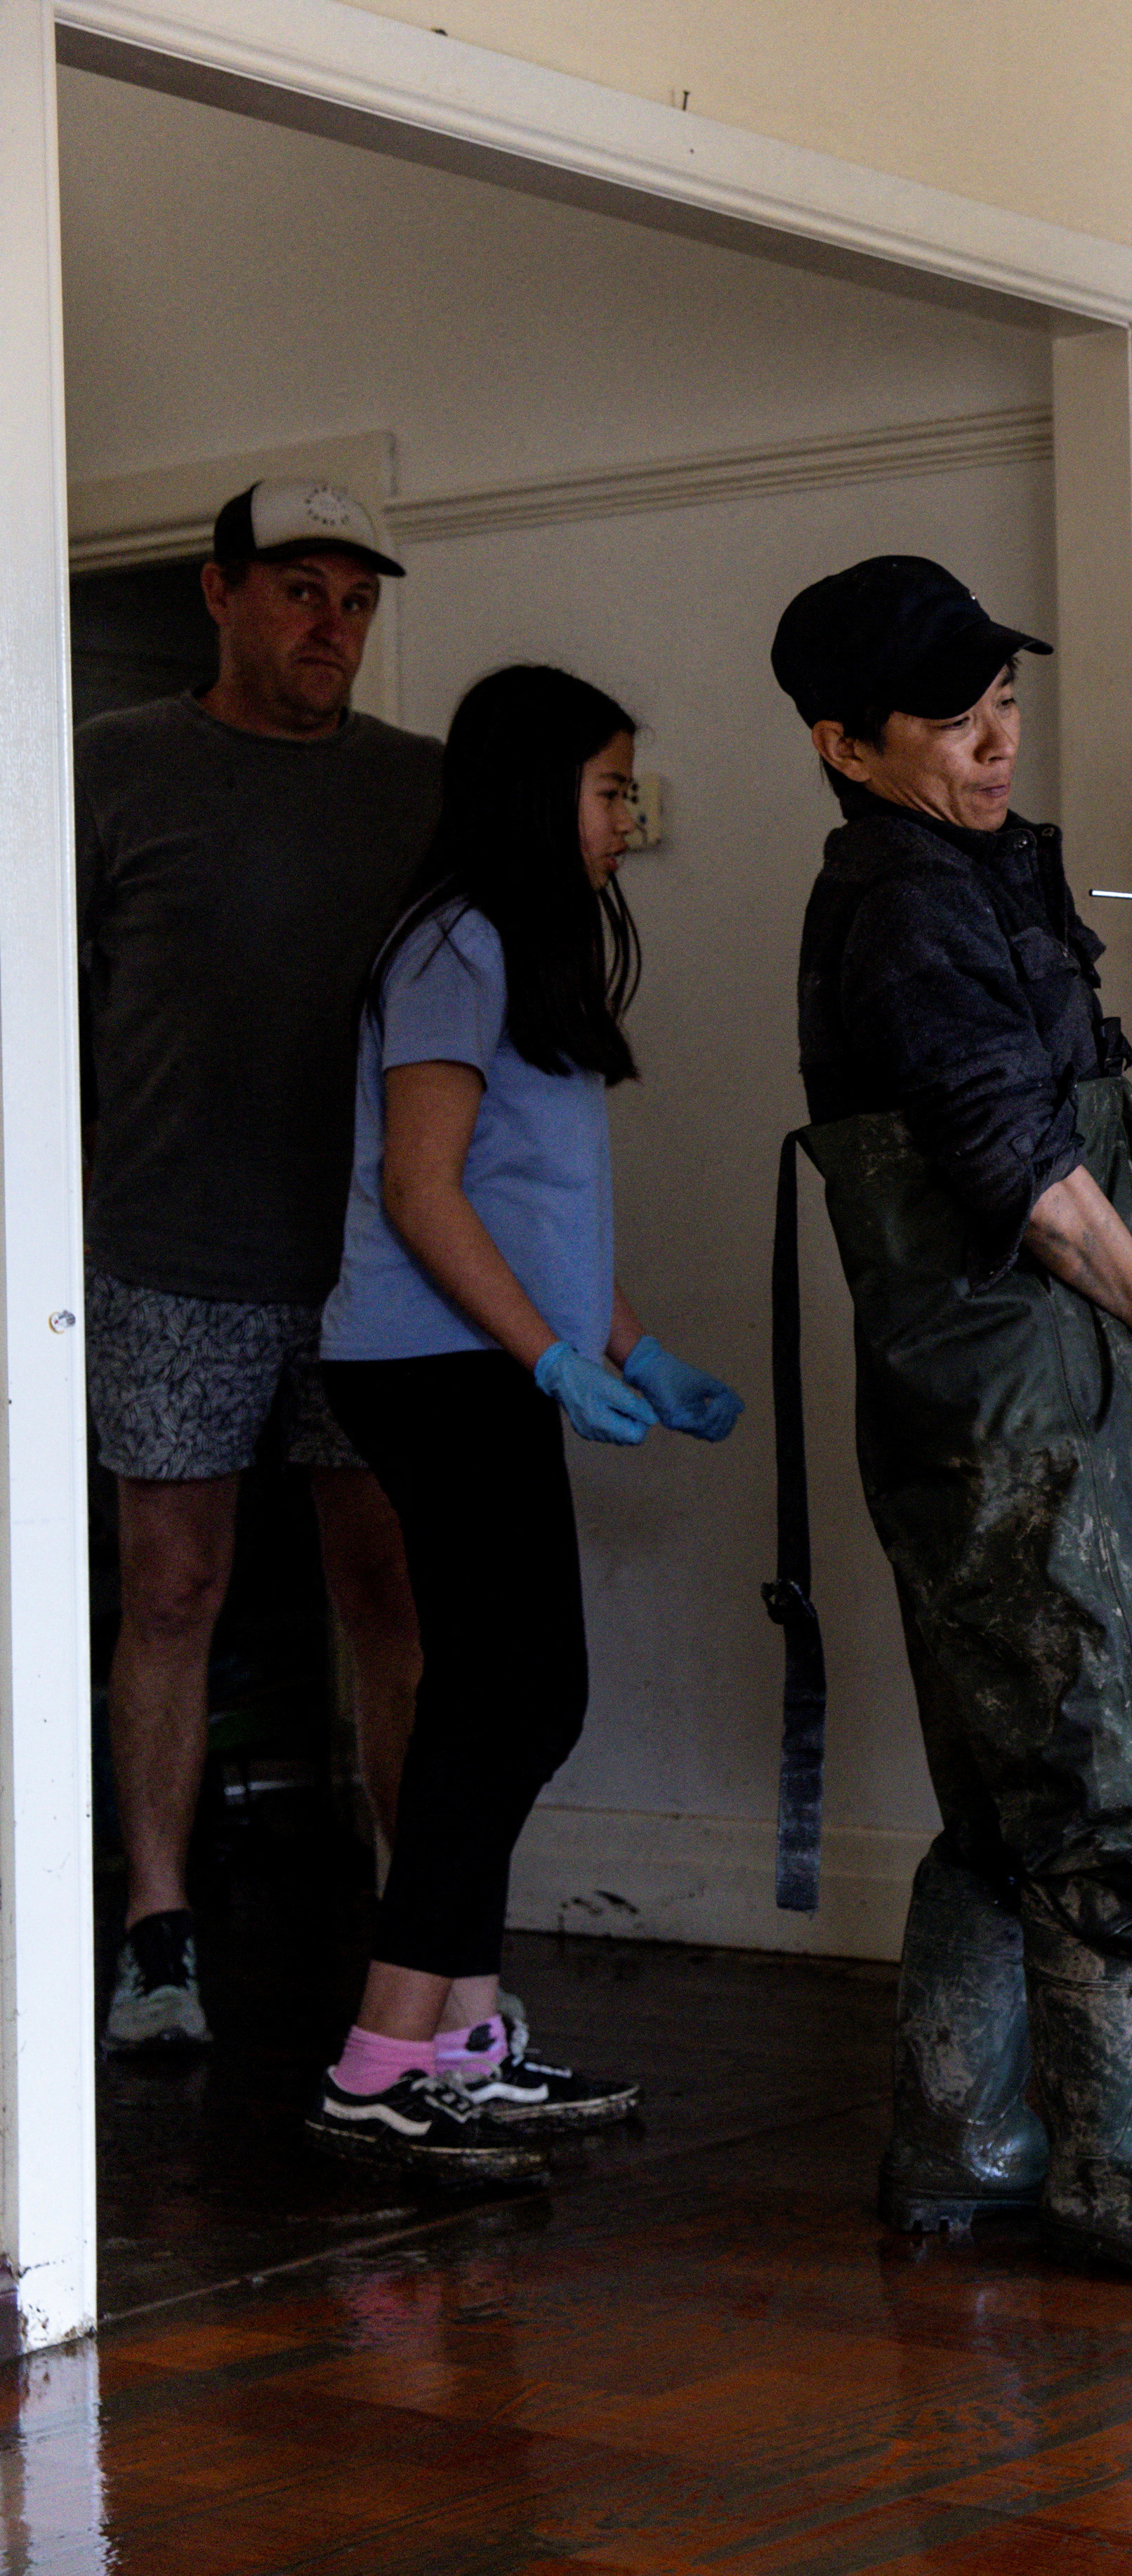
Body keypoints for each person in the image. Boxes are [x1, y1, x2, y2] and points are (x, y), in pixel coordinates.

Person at [779, 553, 1132, 2285]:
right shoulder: (908, 909)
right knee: (1121, 1780)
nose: (996, 737)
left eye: (1004, 696)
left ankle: (960, 2139)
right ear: (847, 744)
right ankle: (1116, 2175)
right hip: (1028, 1413)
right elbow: (1020, 1167)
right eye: (950, 716)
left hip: (1000, 1404)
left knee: (1009, 1792)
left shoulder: (963, 876)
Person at [303, 665, 742, 2179]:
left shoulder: (522, 947)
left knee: (506, 1692)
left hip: (484, 1354)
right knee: (514, 1697)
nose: (628, 817)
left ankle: (463, 2040)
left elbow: (531, 1206)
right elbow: (421, 1193)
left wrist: (631, 1344)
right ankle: (380, 2059)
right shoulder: (448, 947)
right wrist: (551, 1359)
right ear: (529, 791)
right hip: (432, 1361)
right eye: (610, 788)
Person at [76, 479, 434, 2053]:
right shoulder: (107, 769)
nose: (331, 626)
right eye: (300, 590)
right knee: (174, 1587)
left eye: (355, 599)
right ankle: (158, 1923)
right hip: (171, 1254)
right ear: (220, 595)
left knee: (389, 1587)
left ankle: (421, 1930)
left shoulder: (423, 791)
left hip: (377, 1262)